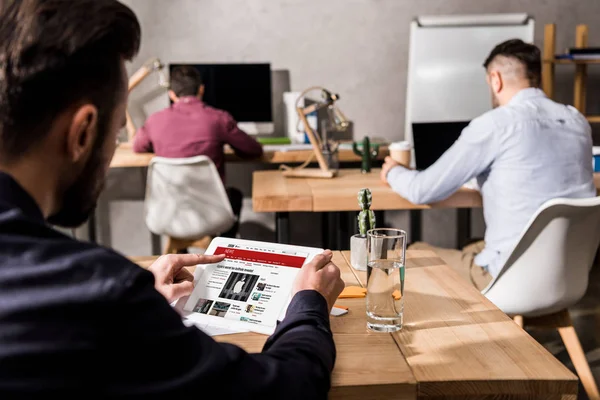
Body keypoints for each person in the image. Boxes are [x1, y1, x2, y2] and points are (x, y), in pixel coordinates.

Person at [0, 1, 344, 398]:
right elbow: (286, 389)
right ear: (82, 132)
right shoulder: (96, 294)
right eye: (114, 133)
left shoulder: (94, 297)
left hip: (165, 215)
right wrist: (308, 303)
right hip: (217, 220)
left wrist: (140, 304)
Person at [381, 39, 596, 290]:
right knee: (475, 243)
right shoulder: (577, 121)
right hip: (568, 278)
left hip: (510, 280)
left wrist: (394, 170)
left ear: (496, 79)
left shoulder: (496, 124)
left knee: (413, 253)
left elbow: (422, 191)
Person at [133, 65, 264, 238]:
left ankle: (180, 252)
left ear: (171, 94)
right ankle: (223, 248)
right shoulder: (218, 118)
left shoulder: (155, 120)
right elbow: (253, 150)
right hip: (212, 217)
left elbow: (137, 147)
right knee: (235, 195)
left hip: (168, 216)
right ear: (201, 89)